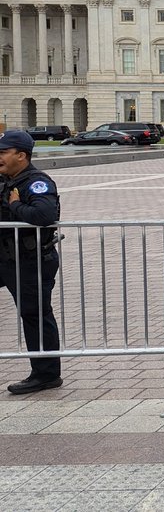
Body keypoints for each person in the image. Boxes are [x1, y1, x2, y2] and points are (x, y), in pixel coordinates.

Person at [0, 130, 63, 395]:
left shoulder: (36, 182)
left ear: (21, 155)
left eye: (3, 152)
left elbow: (44, 213)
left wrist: (15, 206)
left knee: (35, 314)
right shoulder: (6, 180)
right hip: (6, 258)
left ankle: (46, 374)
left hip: (31, 260)